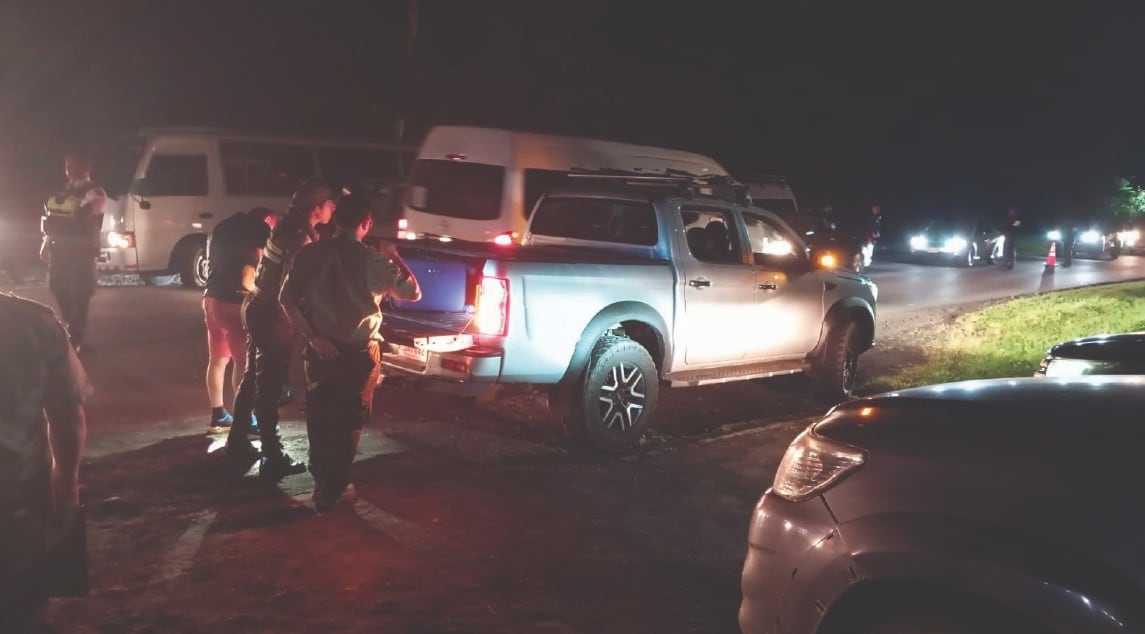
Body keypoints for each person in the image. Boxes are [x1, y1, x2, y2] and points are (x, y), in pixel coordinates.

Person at [279, 192, 420, 511]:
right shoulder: (374, 260)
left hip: (320, 349)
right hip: (359, 352)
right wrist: (394, 255)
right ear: (367, 224)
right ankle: (335, 487)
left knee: (320, 414)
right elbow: (412, 292)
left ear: (337, 220)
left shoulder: (309, 255)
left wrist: (314, 337)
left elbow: (286, 299)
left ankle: (321, 482)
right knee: (349, 419)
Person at [225, 181, 336, 479]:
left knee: (252, 379)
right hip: (272, 315)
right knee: (269, 385)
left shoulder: (285, 229)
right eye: (329, 203)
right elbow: (290, 288)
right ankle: (271, 456)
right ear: (316, 208)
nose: (333, 208)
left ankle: (237, 443)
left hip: (257, 306)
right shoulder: (300, 239)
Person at [0, 292, 90, 632]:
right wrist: (65, 485)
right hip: (15, 509)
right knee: (21, 613)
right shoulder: (33, 323)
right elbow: (68, 415)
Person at [202, 207, 277, 431]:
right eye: (274, 224)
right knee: (244, 365)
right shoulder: (259, 230)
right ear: (267, 219)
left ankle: (218, 414)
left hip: (211, 299)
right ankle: (246, 418)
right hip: (235, 303)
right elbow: (258, 266)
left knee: (217, 360)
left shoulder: (223, 227)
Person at [40, 152, 107, 352]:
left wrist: (61, 222)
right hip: (59, 247)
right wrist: (45, 242)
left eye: (73, 166)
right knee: (56, 285)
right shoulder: (63, 191)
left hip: (82, 250)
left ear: (85, 168)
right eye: (67, 165)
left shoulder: (95, 192)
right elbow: (50, 216)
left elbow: (83, 216)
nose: (68, 170)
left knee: (81, 292)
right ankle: (71, 325)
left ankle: (76, 335)